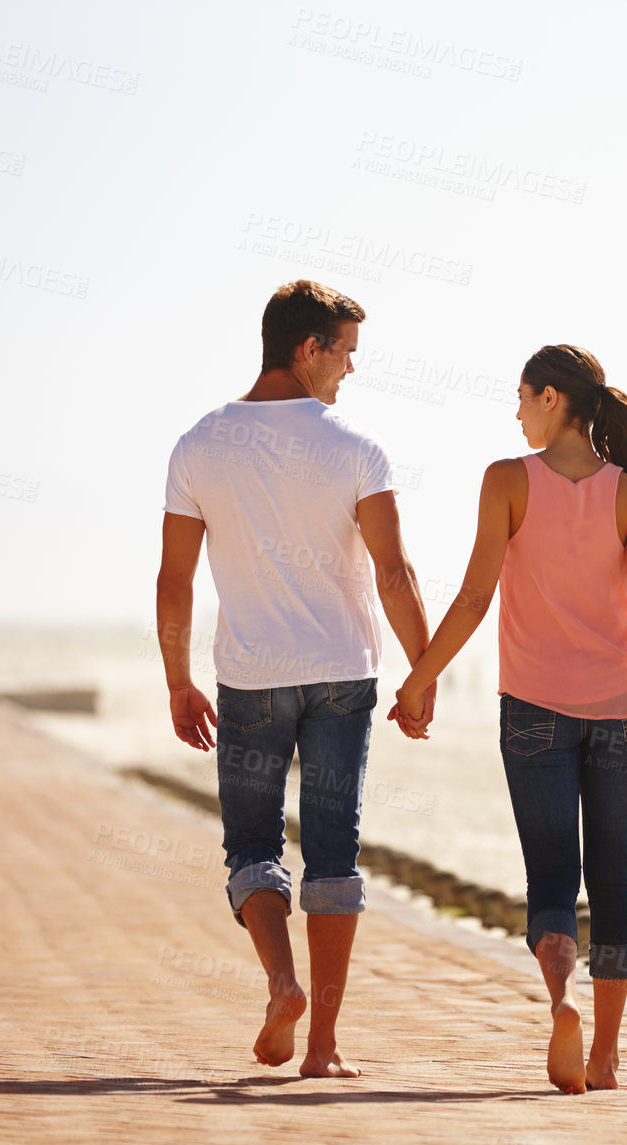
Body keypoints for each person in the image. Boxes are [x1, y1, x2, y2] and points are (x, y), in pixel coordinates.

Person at [155, 279, 434, 1078]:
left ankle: (282, 984)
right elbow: (395, 572)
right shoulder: (356, 447)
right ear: (308, 348)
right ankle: (324, 1048)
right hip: (344, 677)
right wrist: (423, 671)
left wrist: (177, 679)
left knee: (251, 845)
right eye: (345, 355)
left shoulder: (199, 443)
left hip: (250, 678)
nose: (348, 373)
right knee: (335, 853)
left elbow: (175, 581)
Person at [394, 344, 627, 1094]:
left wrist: (417, 681)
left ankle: (561, 1000)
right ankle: (608, 1057)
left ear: (553, 399)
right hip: (623, 714)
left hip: (532, 712)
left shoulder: (505, 482)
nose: (517, 411)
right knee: (613, 881)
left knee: (552, 878)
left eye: (522, 397)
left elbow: (472, 598)